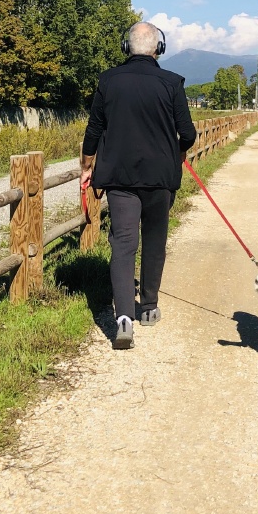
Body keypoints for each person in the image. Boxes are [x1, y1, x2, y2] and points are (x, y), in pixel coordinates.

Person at [80, 21, 197, 349]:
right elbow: (187, 133)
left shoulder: (108, 80)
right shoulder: (173, 83)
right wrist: (178, 153)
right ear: (158, 49)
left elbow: (93, 130)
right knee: (154, 239)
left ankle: (123, 320)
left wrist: (86, 166)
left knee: (123, 242)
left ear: (126, 47)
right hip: (160, 178)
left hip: (119, 178)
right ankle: (148, 306)